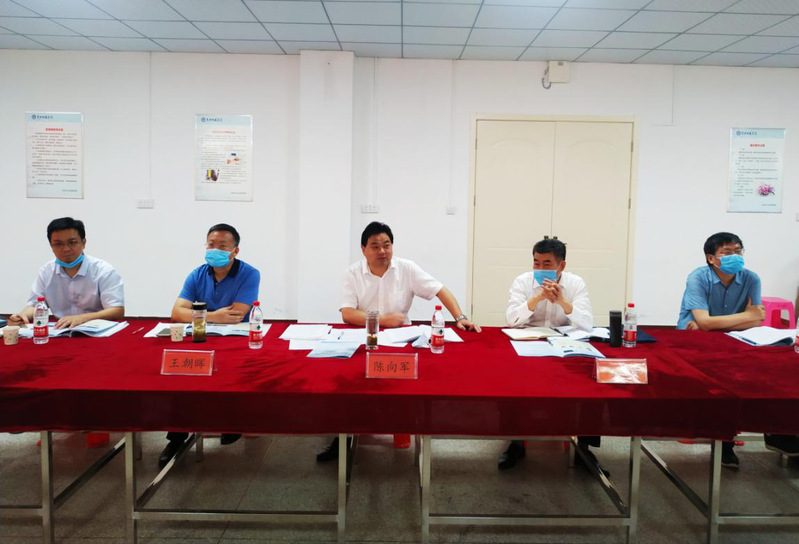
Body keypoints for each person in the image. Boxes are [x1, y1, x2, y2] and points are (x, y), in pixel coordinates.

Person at [316, 221, 481, 462]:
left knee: (410, 382)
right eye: (375, 246)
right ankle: (344, 437)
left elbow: (440, 289)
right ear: (363, 250)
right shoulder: (352, 273)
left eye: (387, 245)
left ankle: (404, 426)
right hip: (364, 339)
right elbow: (347, 314)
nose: (382, 251)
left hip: (401, 340)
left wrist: (460, 317)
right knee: (348, 386)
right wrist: (383, 320)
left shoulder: (407, 268)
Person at [677, 232, 799, 466]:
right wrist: (744, 317)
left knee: (766, 374)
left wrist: (713, 323)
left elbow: (756, 321)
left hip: (734, 339)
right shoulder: (698, 278)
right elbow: (706, 323)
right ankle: (724, 442)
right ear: (711, 258)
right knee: (718, 382)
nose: (735, 256)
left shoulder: (751, 278)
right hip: (695, 341)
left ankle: (776, 431)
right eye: (727, 252)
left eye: (738, 251)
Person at [158, 223, 261, 470]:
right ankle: (176, 437)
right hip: (203, 337)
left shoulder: (249, 273)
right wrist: (214, 316)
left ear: (235, 251)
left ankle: (231, 422)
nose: (215, 250)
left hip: (236, 340)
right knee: (180, 379)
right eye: (211, 245)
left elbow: (237, 314)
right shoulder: (197, 274)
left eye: (222, 246)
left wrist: (198, 314)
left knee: (232, 374)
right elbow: (176, 312)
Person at [500, 238, 600, 472]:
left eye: (547, 264)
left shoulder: (575, 283)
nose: (540, 269)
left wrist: (563, 302)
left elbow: (587, 323)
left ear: (561, 265)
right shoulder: (522, 281)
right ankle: (516, 443)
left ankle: (584, 449)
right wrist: (536, 299)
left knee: (588, 383)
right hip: (529, 342)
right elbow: (511, 320)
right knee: (513, 381)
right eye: (536, 263)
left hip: (564, 344)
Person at [9, 217, 124, 328]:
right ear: (51, 246)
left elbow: (116, 310)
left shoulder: (103, 270)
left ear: (83, 242)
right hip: (61, 329)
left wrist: (83, 318)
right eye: (58, 244)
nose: (66, 249)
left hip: (96, 330)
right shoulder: (46, 271)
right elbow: (34, 305)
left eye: (72, 242)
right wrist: (22, 316)